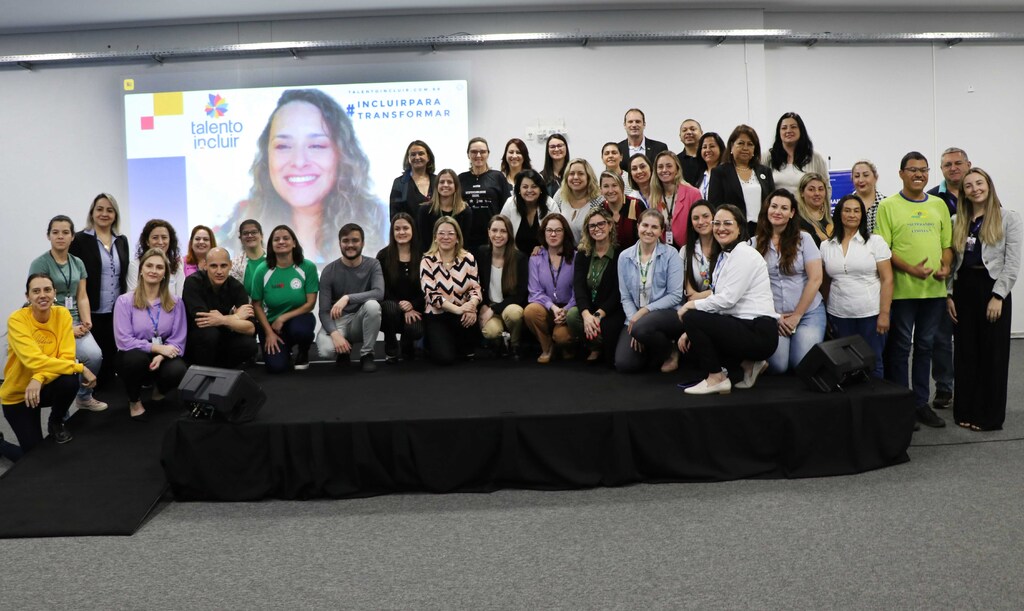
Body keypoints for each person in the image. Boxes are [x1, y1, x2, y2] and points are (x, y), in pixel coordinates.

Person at [217, 88, 388, 261]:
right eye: (283, 146)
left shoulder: (382, 222)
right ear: (266, 156)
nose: (299, 161)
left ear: (341, 154)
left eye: (316, 146)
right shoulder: (238, 224)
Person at [875, 152, 952, 429]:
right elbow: (883, 250)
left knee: (925, 347)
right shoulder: (889, 206)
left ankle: (920, 404)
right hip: (903, 291)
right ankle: (901, 404)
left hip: (934, 290)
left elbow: (947, 244)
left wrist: (945, 266)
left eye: (923, 170)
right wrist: (910, 269)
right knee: (898, 349)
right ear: (901, 174)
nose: (919, 174)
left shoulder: (939, 205)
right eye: (912, 170)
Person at [676, 205, 779, 394]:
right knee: (695, 333)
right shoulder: (726, 256)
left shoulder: (744, 254)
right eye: (717, 223)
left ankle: (716, 378)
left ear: (739, 227)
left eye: (727, 223)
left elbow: (727, 300)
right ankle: (749, 364)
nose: (720, 228)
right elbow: (720, 300)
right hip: (746, 325)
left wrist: (691, 305)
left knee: (692, 317)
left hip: (759, 331)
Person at [947, 168, 1021, 431]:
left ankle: (988, 416)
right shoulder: (957, 219)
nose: (975, 188)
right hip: (963, 288)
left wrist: (998, 295)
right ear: (963, 191)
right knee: (966, 352)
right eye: (969, 185)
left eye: (979, 183)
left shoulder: (1008, 218)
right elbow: (952, 261)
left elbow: (1012, 264)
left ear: (989, 185)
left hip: (991, 289)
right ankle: (965, 409)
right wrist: (948, 294)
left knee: (993, 353)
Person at [2, 274, 96, 453]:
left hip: (43, 386)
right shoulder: (17, 320)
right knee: (34, 456)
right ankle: (2, 445)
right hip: (19, 396)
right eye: (36, 291)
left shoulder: (62, 315)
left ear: (55, 293)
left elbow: (66, 357)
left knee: (69, 379)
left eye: (47, 290)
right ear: (27, 296)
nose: (42, 295)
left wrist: (38, 377)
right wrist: (81, 367)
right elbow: (34, 359)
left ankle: (55, 421)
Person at [28, 216, 106, 413]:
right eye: (55, 232)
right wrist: (67, 328)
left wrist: (86, 320)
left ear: (72, 237)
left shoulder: (78, 263)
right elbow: (39, 301)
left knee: (94, 356)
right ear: (48, 236)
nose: (60, 237)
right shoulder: (40, 264)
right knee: (64, 368)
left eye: (65, 232)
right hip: (51, 324)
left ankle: (84, 397)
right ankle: (60, 414)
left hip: (76, 321)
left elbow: (81, 296)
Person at [752, 189, 826, 374]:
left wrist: (797, 315)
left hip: (808, 313)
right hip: (775, 315)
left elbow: (816, 279)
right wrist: (775, 316)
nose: (778, 211)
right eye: (774, 206)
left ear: (792, 213)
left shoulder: (804, 239)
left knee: (801, 363)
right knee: (778, 366)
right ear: (767, 209)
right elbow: (752, 287)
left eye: (784, 208)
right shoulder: (753, 243)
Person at [819, 195, 893, 378]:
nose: (852, 215)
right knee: (846, 366)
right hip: (840, 315)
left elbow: (888, 279)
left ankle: (875, 406)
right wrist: (828, 312)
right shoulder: (826, 246)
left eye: (856, 210)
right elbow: (826, 282)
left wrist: (884, 314)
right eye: (847, 210)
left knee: (874, 364)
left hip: (871, 314)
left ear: (862, 215)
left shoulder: (875, 242)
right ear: (839, 214)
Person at [114, 249, 187, 421]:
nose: (153, 271)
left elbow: (178, 338)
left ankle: (159, 390)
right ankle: (134, 400)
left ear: (165, 274)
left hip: (163, 354)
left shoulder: (176, 302)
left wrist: (161, 355)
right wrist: (155, 347)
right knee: (135, 361)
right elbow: (124, 340)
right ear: (141, 270)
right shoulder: (124, 301)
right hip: (134, 353)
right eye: (149, 266)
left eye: (159, 267)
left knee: (178, 369)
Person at [68, 193, 130, 388]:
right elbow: (73, 276)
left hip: (116, 311)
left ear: (115, 215)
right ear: (92, 213)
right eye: (100, 209)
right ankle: (89, 400)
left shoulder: (121, 240)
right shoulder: (79, 239)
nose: (104, 214)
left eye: (109, 210)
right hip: (91, 311)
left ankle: (109, 404)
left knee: (112, 358)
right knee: (96, 357)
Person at [928, 147, 971, 411]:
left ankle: (969, 386)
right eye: (947, 165)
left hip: (974, 277)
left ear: (968, 164)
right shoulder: (932, 198)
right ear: (941, 169)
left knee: (970, 337)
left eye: (958, 163)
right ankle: (944, 388)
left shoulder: (981, 192)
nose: (953, 168)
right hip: (943, 277)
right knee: (941, 338)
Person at [616, 209, 684, 373]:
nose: (648, 230)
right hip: (636, 317)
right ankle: (649, 343)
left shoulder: (671, 254)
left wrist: (644, 313)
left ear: (661, 231)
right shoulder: (624, 256)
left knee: (642, 328)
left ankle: (670, 350)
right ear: (637, 226)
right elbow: (625, 297)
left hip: (667, 313)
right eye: (645, 225)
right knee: (625, 365)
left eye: (654, 227)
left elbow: (675, 295)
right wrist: (635, 320)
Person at [316, 224, 384, 373]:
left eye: (355, 240)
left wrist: (347, 298)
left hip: (360, 319)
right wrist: (335, 335)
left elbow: (379, 293)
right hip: (338, 321)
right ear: (340, 243)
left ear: (363, 243)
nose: (350, 245)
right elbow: (323, 311)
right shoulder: (329, 271)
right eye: (346, 241)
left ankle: (367, 355)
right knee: (326, 351)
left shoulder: (373, 264)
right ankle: (343, 351)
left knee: (373, 306)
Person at [251, 225, 319, 373]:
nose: (281, 241)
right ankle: (285, 350)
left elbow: (310, 304)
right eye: (276, 239)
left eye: (286, 238)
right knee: (277, 368)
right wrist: (268, 332)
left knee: (302, 330)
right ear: (271, 245)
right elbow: (256, 305)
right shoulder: (262, 270)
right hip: (271, 325)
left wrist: (282, 318)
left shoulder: (307, 267)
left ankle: (303, 350)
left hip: (298, 320)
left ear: (294, 243)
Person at [181, 247, 257, 369]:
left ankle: (222, 370)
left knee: (249, 345)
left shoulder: (236, 287)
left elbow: (251, 328)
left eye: (223, 266)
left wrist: (222, 320)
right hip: (197, 340)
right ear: (205, 266)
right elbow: (204, 321)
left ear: (231, 265)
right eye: (213, 266)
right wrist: (236, 317)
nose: (219, 271)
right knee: (210, 334)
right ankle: (202, 372)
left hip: (223, 338)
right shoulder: (193, 282)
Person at [420, 217, 483, 365]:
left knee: (467, 353)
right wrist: (459, 309)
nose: (446, 237)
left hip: (462, 313)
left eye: (450, 233)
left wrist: (472, 306)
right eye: (441, 233)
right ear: (435, 237)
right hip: (438, 315)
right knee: (445, 358)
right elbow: (432, 295)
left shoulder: (468, 258)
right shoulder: (427, 261)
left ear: (457, 238)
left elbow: (475, 288)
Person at [567, 207, 624, 365]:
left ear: (610, 225)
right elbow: (579, 288)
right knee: (572, 316)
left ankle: (604, 347)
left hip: (612, 310)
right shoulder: (583, 254)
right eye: (592, 226)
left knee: (613, 359)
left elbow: (618, 293)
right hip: (589, 308)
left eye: (601, 224)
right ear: (587, 229)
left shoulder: (621, 254)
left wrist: (598, 315)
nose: (597, 228)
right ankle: (595, 346)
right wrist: (586, 315)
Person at [524, 213, 577, 363]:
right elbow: (535, 291)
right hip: (548, 309)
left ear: (565, 233)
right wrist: (553, 308)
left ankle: (568, 347)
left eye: (558, 230)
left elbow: (578, 291)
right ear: (544, 233)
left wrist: (566, 309)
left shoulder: (576, 257)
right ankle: (546, 347)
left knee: (562, 337)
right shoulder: (536, 257)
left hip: (569, 308)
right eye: (549, 230)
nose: (553, 234)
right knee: (530, 311)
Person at [375, 213, 425, 363]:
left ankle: (407, 344)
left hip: (416, 307)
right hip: (392, 306)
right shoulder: (383, 255)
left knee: (415, 329)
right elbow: (381, 288)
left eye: (405, 228)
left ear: (413, 230)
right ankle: (391, 346)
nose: (401, 232)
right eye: (397, 229)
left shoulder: (424, 255)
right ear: (392, 232)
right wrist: (401, 305)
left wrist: (412, 305)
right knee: (389, 308)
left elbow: (429, 288)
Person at [476, 215, 528, 357]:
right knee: (491, 332)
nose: (498, 235)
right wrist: (483, 306)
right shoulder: (481, 253)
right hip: (489, 305)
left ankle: (515, 343)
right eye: (494, 230)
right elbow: (476, 285)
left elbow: (520, 295)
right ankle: (498, 342)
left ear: (509, 234)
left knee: (514, 314)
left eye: (503, 231)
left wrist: (493, 309)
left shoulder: (520, 258)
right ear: (488, 232)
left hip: (509, 306)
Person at [707, 125, 775, 230]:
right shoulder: (719, 172)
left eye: (750, 144)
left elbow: (772, 203)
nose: (745, 148)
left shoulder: (765, 172)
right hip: (733, 230)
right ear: (731, 146)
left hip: (762, 231)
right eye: (740, 143)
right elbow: (715, 206)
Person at [764, 112, 831, 202]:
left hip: (807, 214)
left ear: (801, 130)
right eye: (784, 128)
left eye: (793, 127)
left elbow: (826, 188)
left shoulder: (816, 158)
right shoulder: (767, 157)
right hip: (779, 214)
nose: (788, 131)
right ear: (779, 132)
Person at [459, 137, 511, 251]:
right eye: (474, 152)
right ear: (468, 154)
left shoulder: (498, 177)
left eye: (482, 151)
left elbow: (507, 208)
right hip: (467, 239)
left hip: (493, 238)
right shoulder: (461, 178)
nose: (478, 155)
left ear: (488, 154)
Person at [649, 151, 702, 249]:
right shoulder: (653, 197)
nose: (664, 170)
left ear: (677, 169)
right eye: (660, 167)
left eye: (669, 166)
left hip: (689, 249)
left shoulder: (693, 193)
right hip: (663, 249)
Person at [417, 169, 473, 252]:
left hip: (458, 258)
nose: (445, 185)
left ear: (456, 186)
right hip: (431, 257)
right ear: (436, 186)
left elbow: (465, 241)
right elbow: (424, 241)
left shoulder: (465, 211)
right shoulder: (425, 210)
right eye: (442, 182)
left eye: (450, 182)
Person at [500, 169, 553, 255]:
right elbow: (501, 230)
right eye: (525, 187)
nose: (529, 190)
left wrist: (543, 248)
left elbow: (559, 233)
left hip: (544, 257)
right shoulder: (510, 203)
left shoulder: (550, 204)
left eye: (534, 186)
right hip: (515, 257)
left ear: (541, 189)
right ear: (519, 190)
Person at [127, 219, 186, 296]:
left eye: (164, 237)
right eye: (155, 238)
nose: (160, 242)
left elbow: (179, 297)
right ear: (147, 241)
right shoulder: (135, 265)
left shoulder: (177, 264)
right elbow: (132, 296)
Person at [552, 158, 604, 243]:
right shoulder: (560, 195)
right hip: (563, 251)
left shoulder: (598, 200)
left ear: (588, 177)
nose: (575, 177)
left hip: (588, 251)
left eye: (581, 174)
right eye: (571, 174)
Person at [389, 140, 437, 219]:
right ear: (408, 159)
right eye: (413, 154)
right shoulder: (400, 183)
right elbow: (395, 215)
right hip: (410, 231)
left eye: (421, 153)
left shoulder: (438, 181)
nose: (417, 157)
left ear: (428, 157)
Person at [599, 170, 646, 250]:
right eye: (606, 186)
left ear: (622, 187)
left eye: (614, 185)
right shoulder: (601, 209)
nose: (610, 190)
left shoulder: (636, 205)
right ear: (601, 190)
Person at [680, 200, 717, 301]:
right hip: (696, 307)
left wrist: (703, 295)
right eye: (696, 218)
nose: (701, 222)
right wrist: (713, 293)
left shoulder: (725, 248)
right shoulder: (685, 251)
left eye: (706, 216)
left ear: (714, 217)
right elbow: (691, 295)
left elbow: (728, 291)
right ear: (691, 223)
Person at [229, 218, 267, 297]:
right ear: (241, 238)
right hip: (248, 308)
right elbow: (235, 295)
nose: (250, 235)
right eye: (245, 233)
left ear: (261, 235)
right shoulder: (234, 264)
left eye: (254, 232)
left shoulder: (275, 258)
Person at [796, 173, 834, 247]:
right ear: (801, 193)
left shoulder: (832, 219)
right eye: (811, 189)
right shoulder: (796, 221)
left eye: (820, 189)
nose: (817, 193)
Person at [851, 160, 885, 233]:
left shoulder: (886, 204)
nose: (861, 180)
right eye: (857, 176)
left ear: (876, 178)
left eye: (866, 175)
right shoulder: (845, 205)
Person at [695, 132, 726, 199]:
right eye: (704, 147)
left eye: (712, 146)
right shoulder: (701, 174)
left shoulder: (726, 172)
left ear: (720, 149)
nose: (708, 150)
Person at [676, 118, 704, 186]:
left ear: (701, 133)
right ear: (680, 136)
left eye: (693, 129)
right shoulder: (675, 160)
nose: (688, 132)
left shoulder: (708, 157)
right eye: (684, 130)